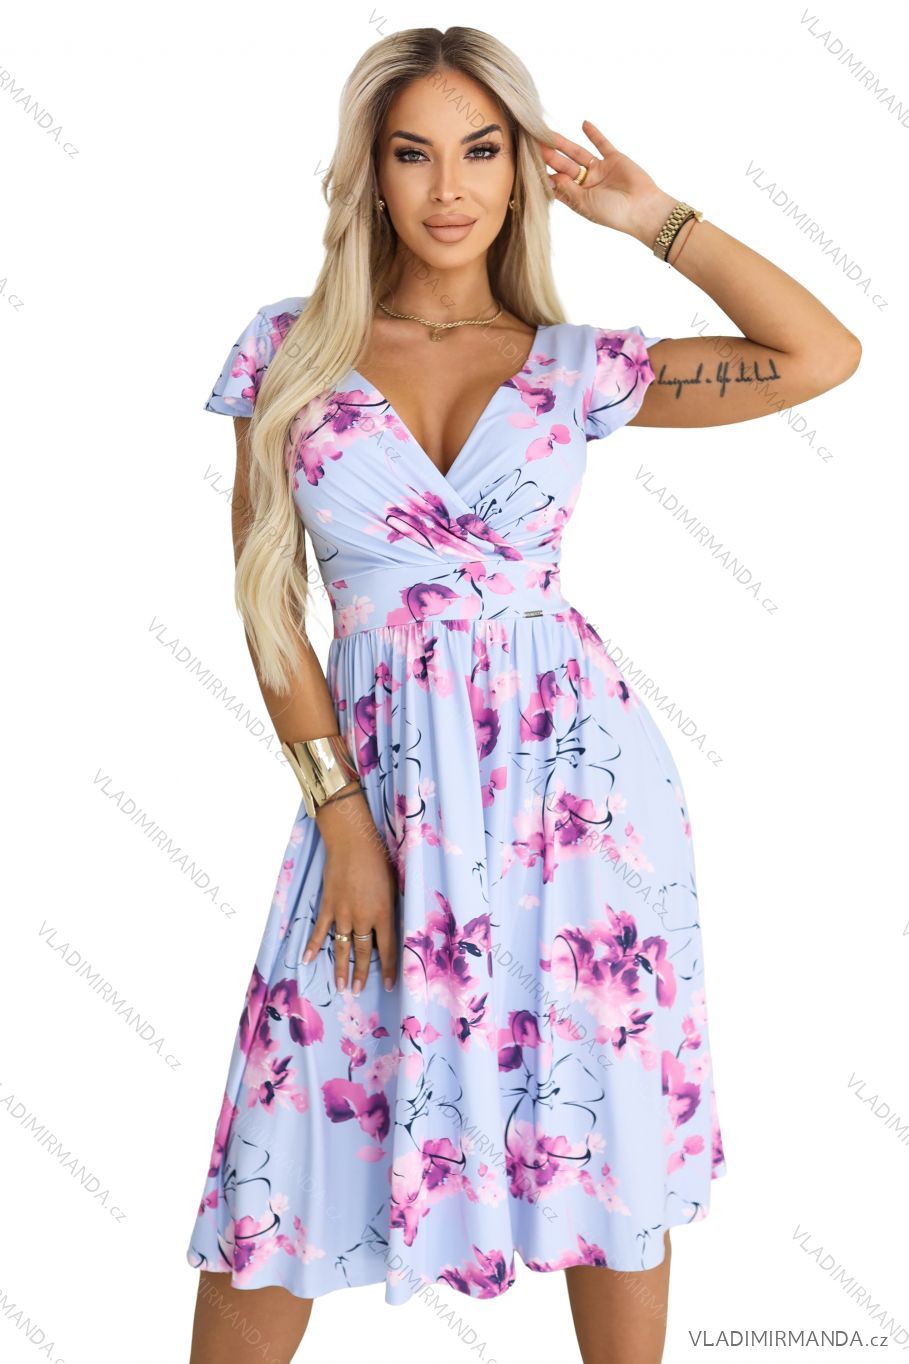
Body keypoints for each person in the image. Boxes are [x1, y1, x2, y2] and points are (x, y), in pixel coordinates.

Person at [186, 25, 860, 1364]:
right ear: (369, 173)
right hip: (372, 806)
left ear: (519, 171)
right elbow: (267, 610)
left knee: (596, 1124)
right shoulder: (289, 352)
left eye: (482, 151)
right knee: (292, 1138)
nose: (449, 187)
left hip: (579, 810)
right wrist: (341, 822)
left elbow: (819, 354)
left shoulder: (571, 366)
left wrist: (654, 219)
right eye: (413, 154)